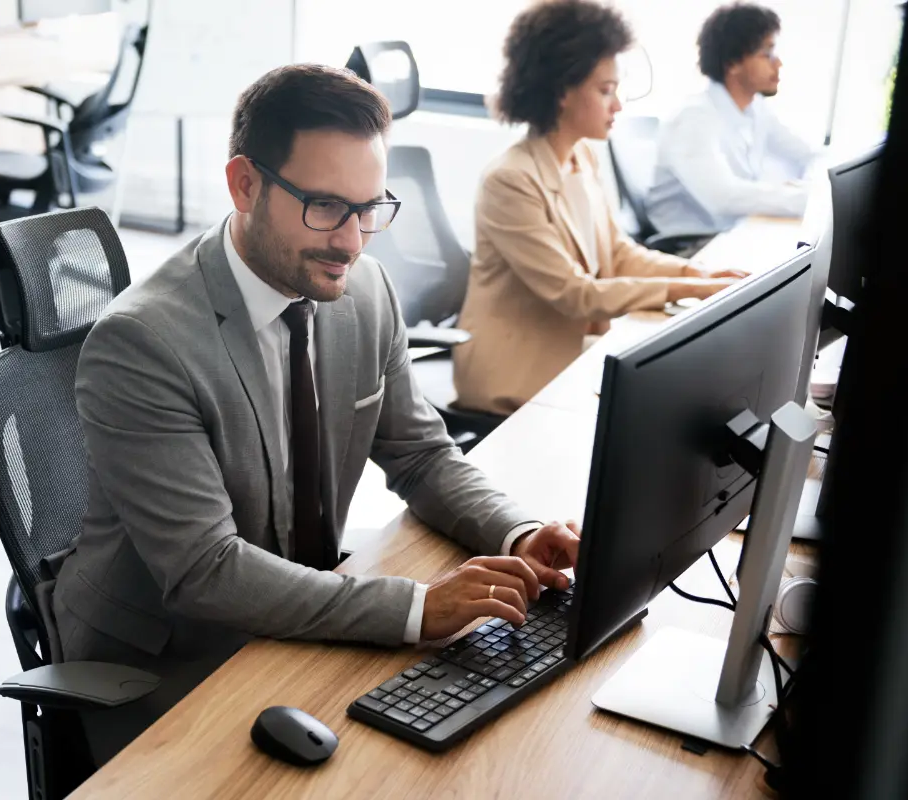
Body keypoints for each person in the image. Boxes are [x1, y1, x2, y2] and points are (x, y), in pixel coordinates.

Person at [50, 64, 580, 760]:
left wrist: (516, 532)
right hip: (163, 659)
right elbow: (206, 571)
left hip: (300, 607)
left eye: (369, 210)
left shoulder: (364, 291)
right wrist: (418, 607)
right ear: (244, 184)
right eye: (326, 207)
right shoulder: (142, 344)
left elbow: (419, 454)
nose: (353, 242)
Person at [452, 0, 746, 417]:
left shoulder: (581, 158)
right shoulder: (510, 180)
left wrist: (693, 272)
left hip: (571, 349)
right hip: (514, 371)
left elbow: (618, 253)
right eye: (605, 90)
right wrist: (691, 290)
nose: (619, 105)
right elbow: (576, 295)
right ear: (560, 93)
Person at [645, 2, 817, 243]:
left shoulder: (756, 110)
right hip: (691, 245)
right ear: (732, 63)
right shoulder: (693, 119)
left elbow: (811, 155)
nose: (778, 64)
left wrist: (812, 186)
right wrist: (806, 197)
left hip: (732, 234)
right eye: (766, 54)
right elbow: (724, 197)